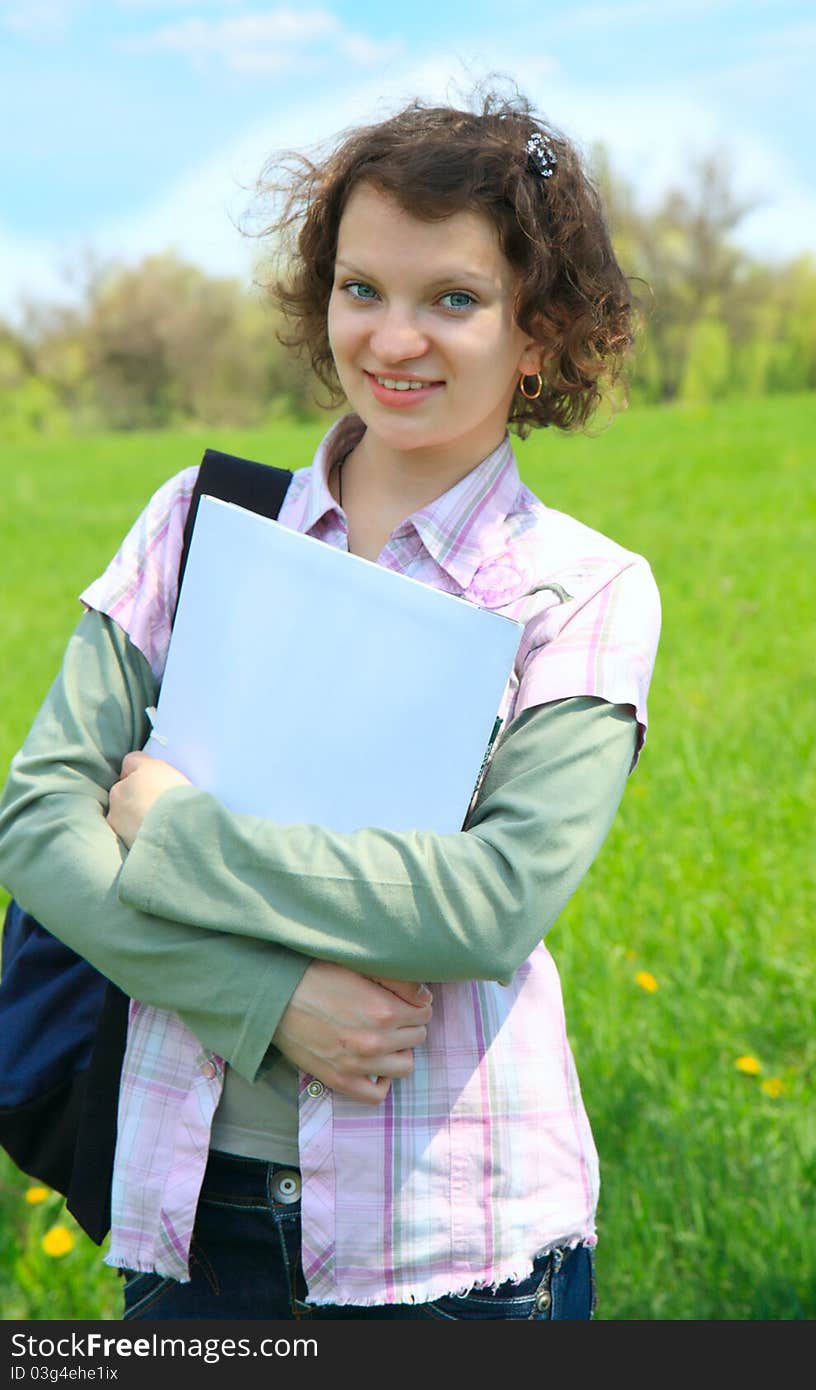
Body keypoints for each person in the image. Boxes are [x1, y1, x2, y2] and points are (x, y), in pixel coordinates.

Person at [0, 87, 660, 1321]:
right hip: (191, 1225)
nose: (393, 338)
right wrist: (264, 998)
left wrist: (175, 833)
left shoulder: (580, 591)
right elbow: (40, 821)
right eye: (363, 289)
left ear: (538, 334)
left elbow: (489, 902)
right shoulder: (200, 521)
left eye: (452, 299)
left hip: (454, 1250)